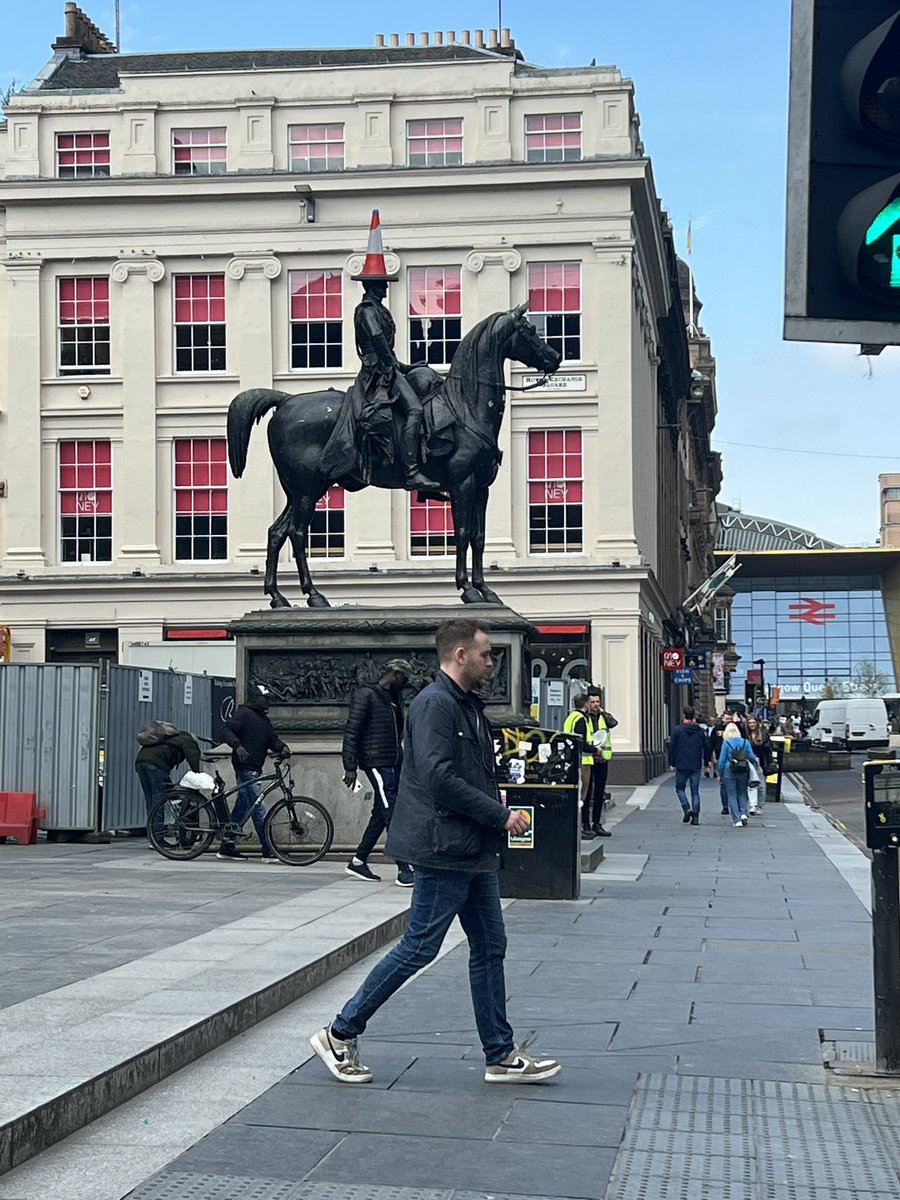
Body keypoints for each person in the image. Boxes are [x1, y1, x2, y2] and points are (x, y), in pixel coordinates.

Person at [309, 617, 561, 1086]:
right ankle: (340, 1033)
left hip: (470, 848)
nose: (491, 662)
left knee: (489, 945)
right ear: (460, 655)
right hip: (444, 846)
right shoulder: (434, 705)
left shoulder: (464, 705)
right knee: (420, 946)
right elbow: (438, 778)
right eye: (485, 654)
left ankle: (500, 1054)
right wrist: (498, 814)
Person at [344, 211, 440, 491]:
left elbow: (389, 351)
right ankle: (411, 473)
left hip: (389, 369)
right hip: (378, 374)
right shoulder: (367, 311)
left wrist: (409, 367)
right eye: (383, 282)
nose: (386, 286)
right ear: (373, 285)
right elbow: (377, 341)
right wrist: (396, 367)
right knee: (415, 411)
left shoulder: (378, 309)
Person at [342, 658, 414, 887]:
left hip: (392, 761)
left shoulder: (393, 697)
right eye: (404, 679)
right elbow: (352, 730)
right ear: (394, 674)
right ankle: (404, 868)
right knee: (391, 810)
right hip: (375, 761)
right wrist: (349, 766)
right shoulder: (367, 695)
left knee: (382, 811)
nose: (406, 683)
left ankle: (358, 859)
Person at [219, 683, 291, 862]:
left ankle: (227, 846)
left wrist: (281, 747)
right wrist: (237, 745)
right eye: (265, 698)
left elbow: (271, 739)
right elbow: (225, 729)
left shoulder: (263, 719)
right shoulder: (244, 714)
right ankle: (268, 850)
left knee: (242, 808)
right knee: (259, 809)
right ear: (255, 699)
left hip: (254, 768)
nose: (268, 702)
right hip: (246, 768)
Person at [135, 721, 201, 842]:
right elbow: (194, 760)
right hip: (155, 766)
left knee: (151, 802)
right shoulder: (188, 741)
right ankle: (157, 840)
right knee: (158, 801)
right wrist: (202, 777)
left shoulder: (170, 738)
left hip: (141, 762)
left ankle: (153, 837)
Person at [562, 693, 598, 840]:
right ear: (586, 704)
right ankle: (580, 829)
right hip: (583, 762)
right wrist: (596, 750)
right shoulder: (582, 719)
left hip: (570, 759)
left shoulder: (571, 717)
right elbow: (581, 742)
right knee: (581, 797)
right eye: (590, 703)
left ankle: (577, 827)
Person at [668, 706, 707, 825]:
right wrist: (707, 760)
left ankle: (687, 808)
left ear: (684, 715)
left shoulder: (677, 730)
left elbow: (672, 747)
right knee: (695, 791)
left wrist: (672, 762)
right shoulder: (699, 731)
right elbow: (706, 746)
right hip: (695, 764)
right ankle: (695, 816)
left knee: (680, 788)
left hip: (681, 764)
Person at [718, 720, 759, 828]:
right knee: (742, 793)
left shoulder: (726, 743)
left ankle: (737, 820)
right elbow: (751, 757)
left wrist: (720, 774)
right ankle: (743, 814)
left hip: (729, 771)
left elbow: (721, 761)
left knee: (732, 795)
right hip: (743, 770)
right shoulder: (745, 742)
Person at [586, 690, 615, 837]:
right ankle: (586, 824)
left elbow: (613, 723)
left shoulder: (603, 716)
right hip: (589, 759)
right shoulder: (585, 717)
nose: (595, 705)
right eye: (592, 702)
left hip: (602, 758)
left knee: (599, 793)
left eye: (597, 702)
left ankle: (597, 823)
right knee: (587, 793)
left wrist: (603, 712)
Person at [746, 716, 772, 812]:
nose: (752, 725)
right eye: (750, 723)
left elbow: (768, 748)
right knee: (751, 784)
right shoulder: (745, 735)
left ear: (757, 723)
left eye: (753, 722)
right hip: (749, 761)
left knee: (761, 786)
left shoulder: (764, 734)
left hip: (761, 761)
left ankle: (760, 806)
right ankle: (753, 805)